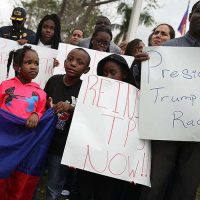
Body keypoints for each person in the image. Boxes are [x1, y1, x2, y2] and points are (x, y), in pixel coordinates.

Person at [140, 1, 200, 200]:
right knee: (156, 182)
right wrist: (139, 65)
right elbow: (146, 85)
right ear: (191, 15)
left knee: (187, 185)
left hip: (196, 135)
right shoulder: (165, 49)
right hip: (165, 130)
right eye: (199, 11)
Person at [0, 45, 46, 199]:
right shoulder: (5, 85)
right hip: (3, 141)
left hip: (23, 144)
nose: (34, 66)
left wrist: (36, 115)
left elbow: (41, 113)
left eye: (36, 63)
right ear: (16, 66)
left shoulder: (40, 93)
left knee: (16, 179)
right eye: (28, 62)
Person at [44, 47, 91, 200]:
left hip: (62, 148)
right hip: (42, 142)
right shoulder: (53, 81)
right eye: (70, 59)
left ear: (86, 69)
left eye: (79, 62)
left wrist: (71, 107)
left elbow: (88, 117)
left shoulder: (86, 90)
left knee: (54, 188)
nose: (73, 64)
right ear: (64, 62)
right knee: (32, 179)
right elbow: (42, 104)